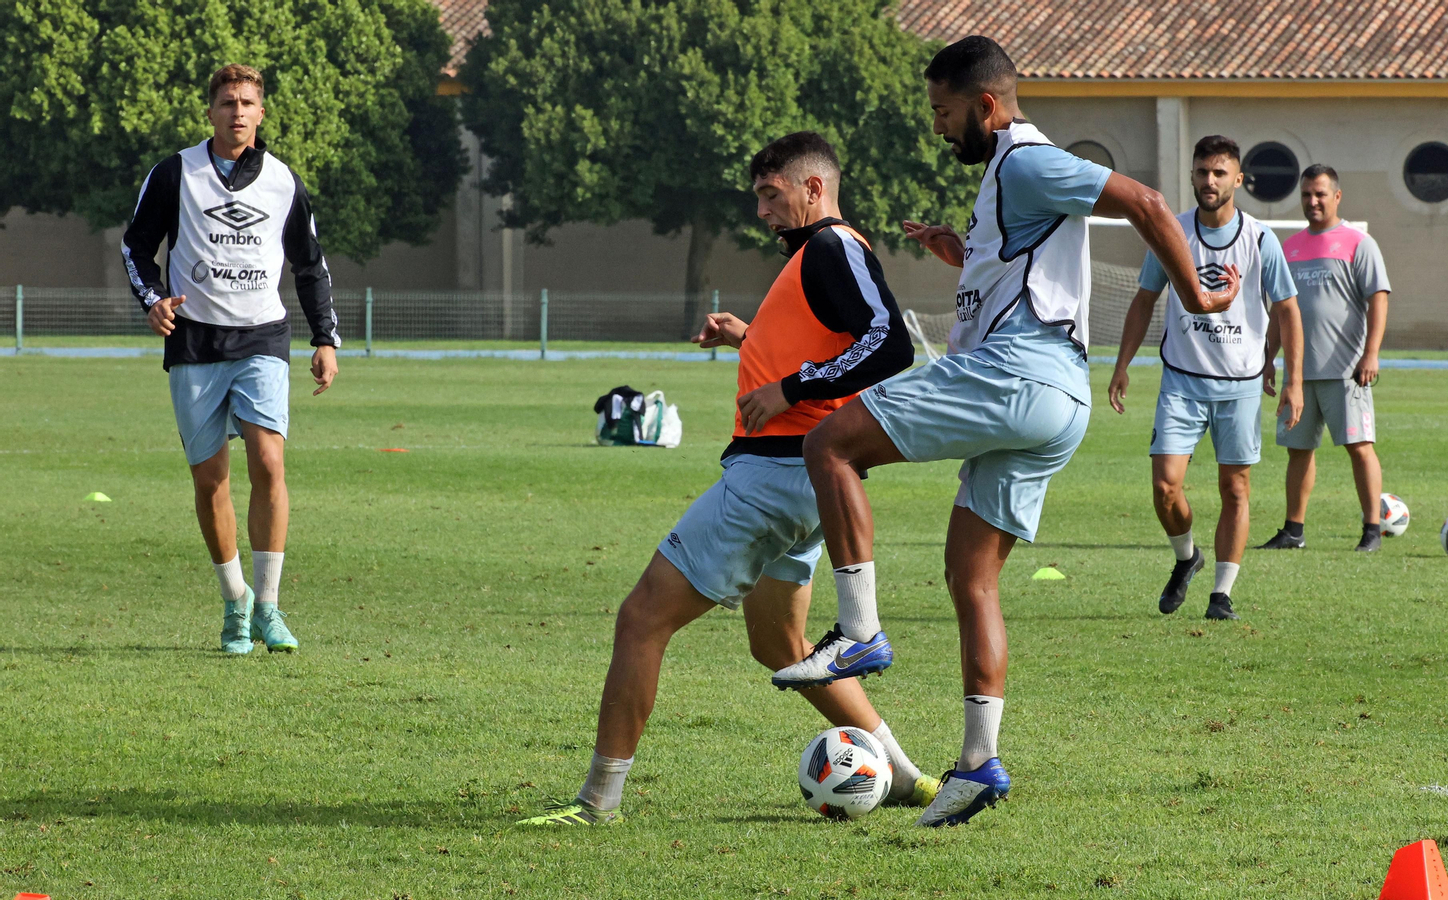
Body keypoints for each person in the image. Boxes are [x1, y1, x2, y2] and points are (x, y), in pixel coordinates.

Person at [770, 37, 1238, 828]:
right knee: (971, 577)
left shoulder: (1023, 158)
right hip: (1054, 397)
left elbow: (1150, 205)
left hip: (1018, 373)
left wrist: (1196, 295)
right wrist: (964, 252)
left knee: (830, 444)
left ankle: (858, 634)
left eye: (944, 113)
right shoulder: (1004, 178)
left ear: (986, 105)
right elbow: (1023, 267)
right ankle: (979, 762)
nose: (938, 129)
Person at [518, 132, 936, 826]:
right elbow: (834, 343)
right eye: (758, 198)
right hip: (800, 482)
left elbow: (889, 342)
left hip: (775, 477)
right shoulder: (811, 256)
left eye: (772, 195)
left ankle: (597, 803)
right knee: (777, 645)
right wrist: (751, 340)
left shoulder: (831, 245)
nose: (763, 211)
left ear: (813, 187)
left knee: (641, 619)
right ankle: (903, 775)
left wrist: (791, 387)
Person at [122, 64, 339, 655]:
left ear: (261, 113)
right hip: (194, 341)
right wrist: (152, 300)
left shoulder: (283, 181)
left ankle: (269, 606)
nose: (237, 111)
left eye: (247, 102)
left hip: (262, 337)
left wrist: (324, 339)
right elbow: (136, 245)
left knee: (269, 461)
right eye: (226, 102)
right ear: (210, 110)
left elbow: (310, 264)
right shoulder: (175, 173)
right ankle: (234, 601)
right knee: (210, 479)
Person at [1108, 135, 1304, 622]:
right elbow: (1144, 300)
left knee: (1235, 490)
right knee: (1165, 486)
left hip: (1239, 386)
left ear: (1238, 179)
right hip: (1182, 381)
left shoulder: (1261, 239)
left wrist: (1294, 379)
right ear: (1192, 176)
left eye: (1220, 173)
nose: (1209, 181)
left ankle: (1222, 594)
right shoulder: (1171, 232)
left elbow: (1288, 310)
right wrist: (1122, 364)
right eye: (1202, 172)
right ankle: (1185, 557)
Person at [1257, 164, 1392, 552]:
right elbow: (1281, 311)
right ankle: (1293, 531)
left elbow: (1378, 298)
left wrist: (1371, 354)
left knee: (1359, 446)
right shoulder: (1290, 247)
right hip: (1298, 375)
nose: (1312, 201)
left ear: (1337, 196)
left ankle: (1371, 530)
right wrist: (1270, 358)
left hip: (1346, 371)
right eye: (1306, 195)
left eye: (1320, 194)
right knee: (1298, 451)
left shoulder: (1358, 243)